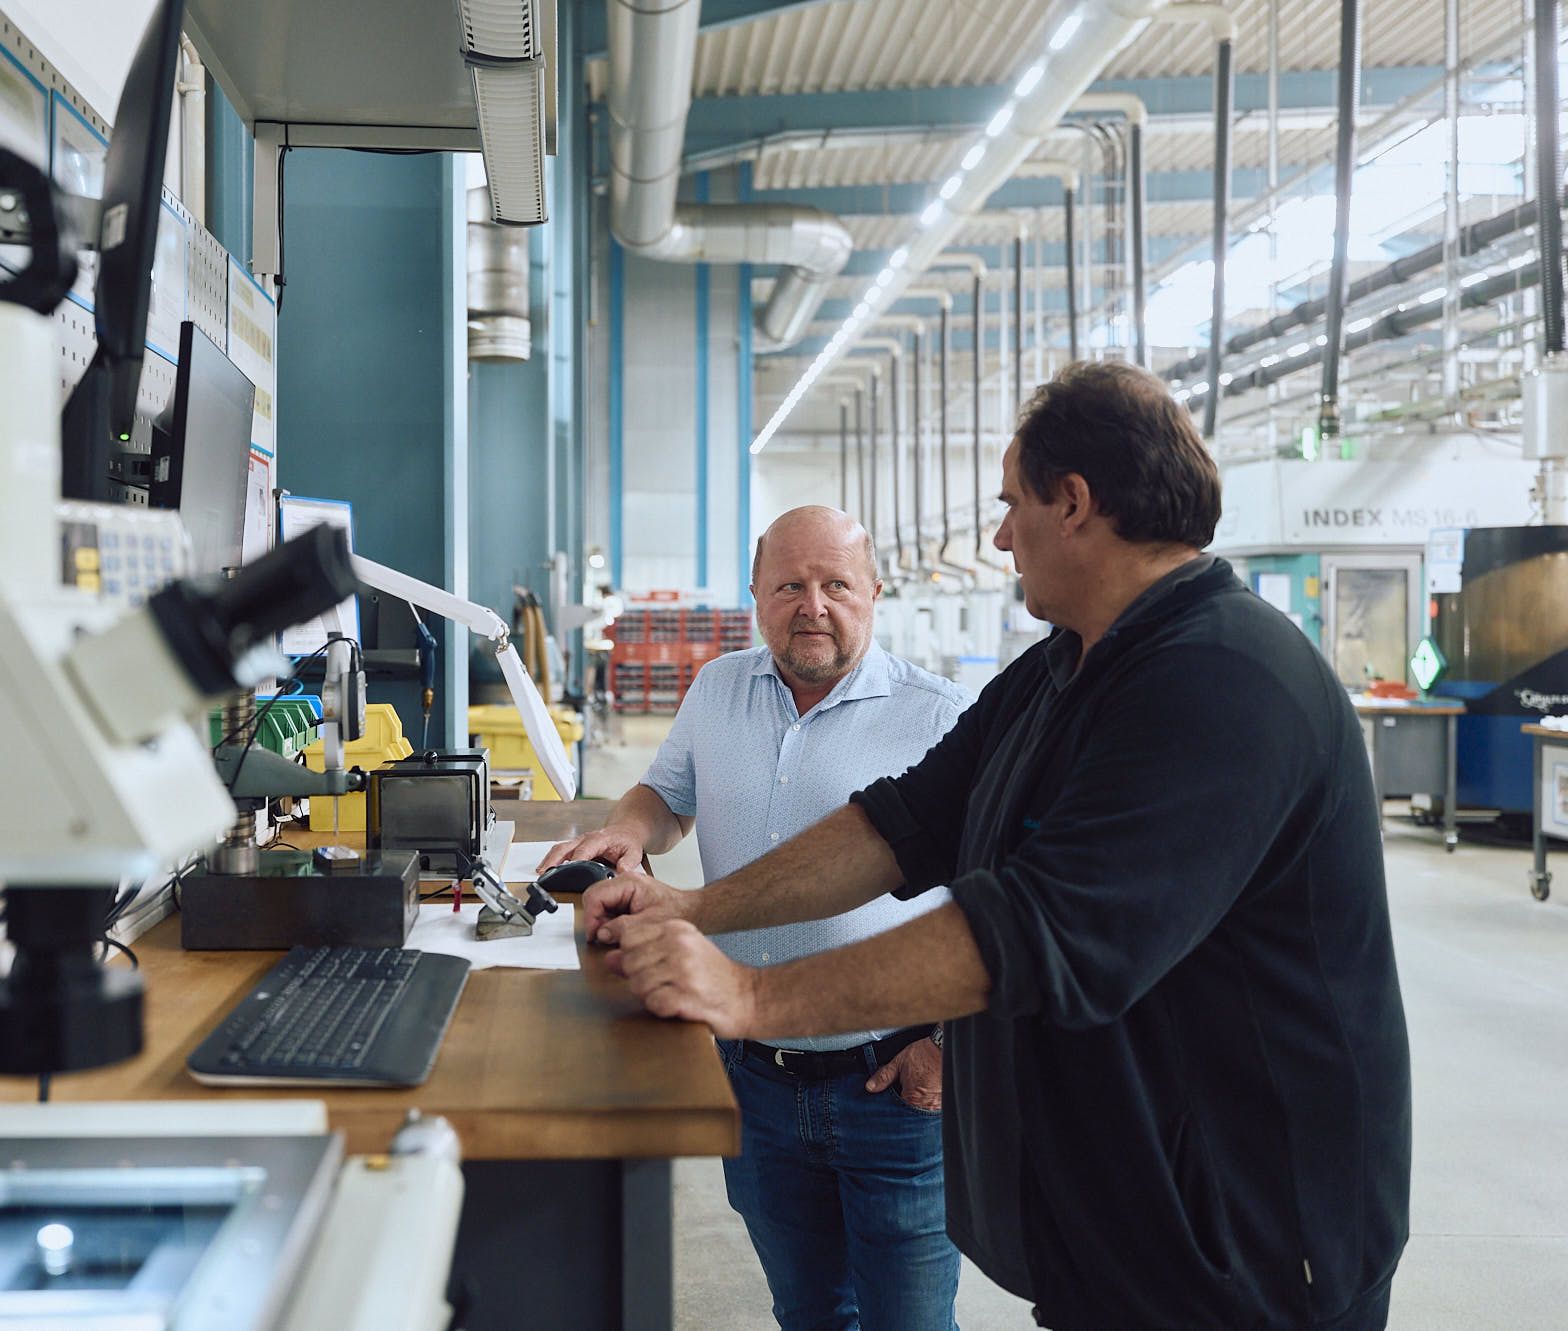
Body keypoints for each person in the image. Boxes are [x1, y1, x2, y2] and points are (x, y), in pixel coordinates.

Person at [586, 362, 1412, 1331]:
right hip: (1129, 1221)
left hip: (1250, 1241)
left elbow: (1040, 927)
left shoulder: (1224, 679)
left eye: (1010, 503)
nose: (998, 536)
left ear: (1074, 503)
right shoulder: (1059, 671)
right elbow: (897, 825)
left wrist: (751, 996)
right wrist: (691, 909)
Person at [542, 505, 968, 1331]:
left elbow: (1000, 896)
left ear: (875, 593)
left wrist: (951, 1044)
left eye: (836, 584)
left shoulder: (940, 715)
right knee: (809, 1312)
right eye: (789, 586)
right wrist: (628, 831)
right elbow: (667, 794)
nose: (813, 605)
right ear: (756, 593)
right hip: (756, 1079)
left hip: (893, 1089)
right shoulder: (718, 688)